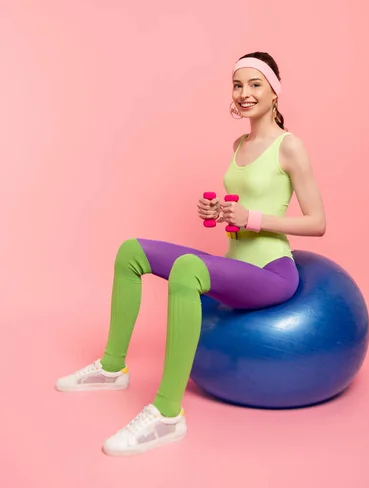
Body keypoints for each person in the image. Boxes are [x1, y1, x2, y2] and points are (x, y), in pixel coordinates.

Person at [55, 51, 326, 456]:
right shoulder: (239, 144)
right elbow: (241, 210)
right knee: (131, 251)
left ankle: (167, 415)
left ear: (275, 91)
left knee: (186, 270)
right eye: (238, 85)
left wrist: (252, 218)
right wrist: (219, 213)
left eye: (255, 84)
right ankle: (112, 367)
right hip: (237, 265)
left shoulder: (291, 147)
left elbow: (317, 222)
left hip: (272, 273)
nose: (245, 93)